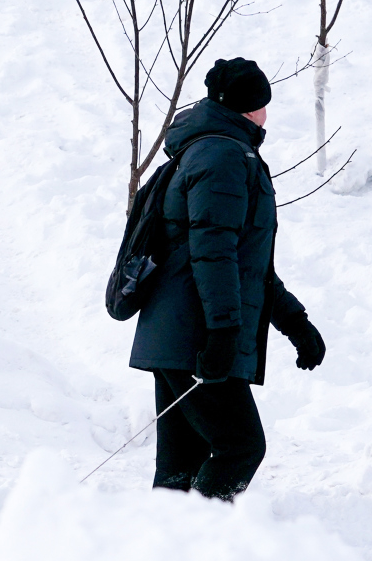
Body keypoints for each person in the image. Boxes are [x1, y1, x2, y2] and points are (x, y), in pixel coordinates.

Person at [128, 58, 327, 500]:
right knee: (240, 447)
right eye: (261, 103)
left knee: (180, 468)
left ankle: (164, 555)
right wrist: (220, 332)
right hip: (195, 336)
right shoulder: (222, 157)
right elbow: (214, 254)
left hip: (178, 334)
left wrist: (296, 323)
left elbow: (246, 266)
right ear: (246, 107)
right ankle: (199, 545)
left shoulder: (215, 151)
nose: (267, 113)